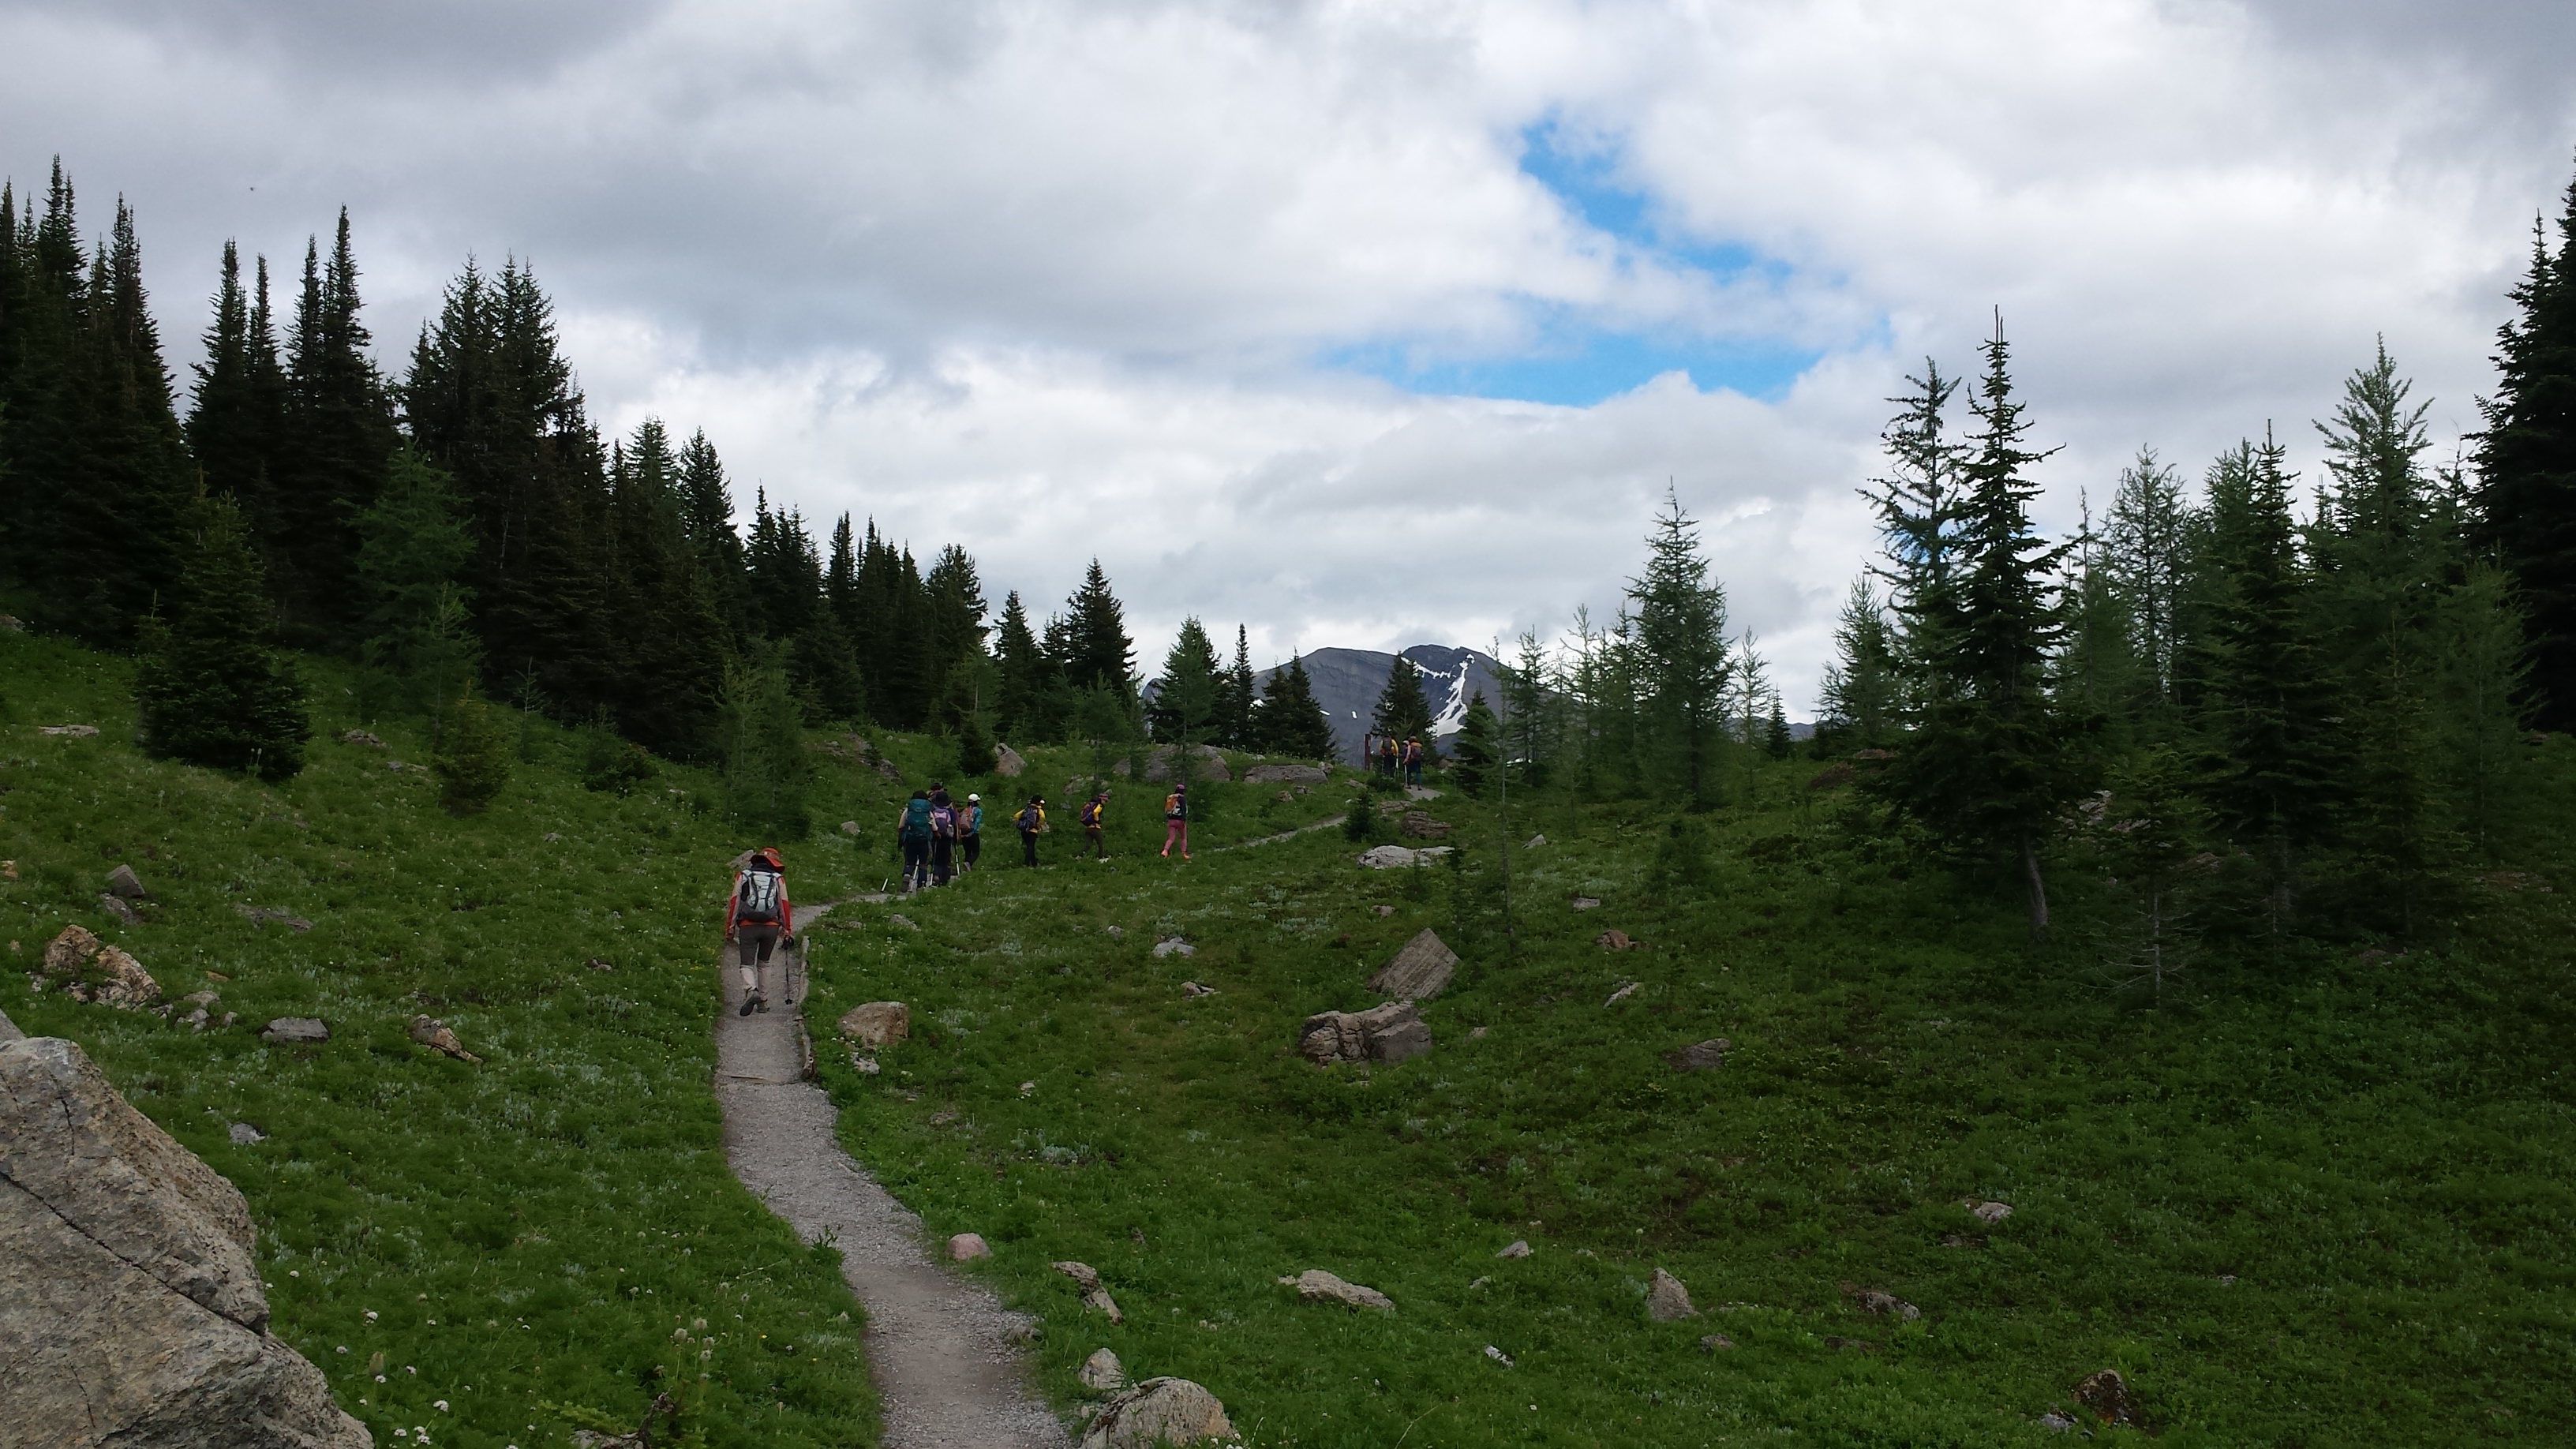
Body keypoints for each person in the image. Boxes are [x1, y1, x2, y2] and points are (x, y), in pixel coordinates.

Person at [724, 847, 794, 1017]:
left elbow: (735, 902)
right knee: (764, 963)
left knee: (746, 963)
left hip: (748, 925)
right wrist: (787, 929)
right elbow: (784, 904)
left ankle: (750, 990)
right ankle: (763, 1001)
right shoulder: (778, 879)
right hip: (771, 926)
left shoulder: (744, 876)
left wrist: (730, 927)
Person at [896, 788, 933, 892]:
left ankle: (907, 874)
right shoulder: (928, 812)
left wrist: (901, 841)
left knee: (909, 861)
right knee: (923, 863)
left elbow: (901, 826)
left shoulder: (908, 811)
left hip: (910, 840)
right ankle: (921, 884)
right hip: (924, 841)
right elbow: (934, 828)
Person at [928, 784, 958, 886]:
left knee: (936, 856)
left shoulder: (933, 809)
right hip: (947, 837)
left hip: (935, 835)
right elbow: (954, 824)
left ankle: (936, 874)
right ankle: (945, 877)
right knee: (946, 857)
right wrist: (955, 838)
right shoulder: (950, 811)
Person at [1015, 794, 1046, 866]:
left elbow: (1016, 816)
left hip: (1024, 831)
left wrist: (1020, 824)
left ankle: (1034, 863)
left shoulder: (1026, 809)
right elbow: (1042, 818)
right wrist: (1037, 826)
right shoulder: (1039, 811)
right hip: (1033, 831)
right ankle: (1027, 863)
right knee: (1030, 847)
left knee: (1030, 847)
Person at [1161, 783, 1189, 859]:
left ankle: (1165, 851)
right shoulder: (1182, 798)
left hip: (1171, 820)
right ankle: (1183, 853)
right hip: (1180, 820)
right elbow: (1183, 810)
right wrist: (1184, 820)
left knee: (1171, 838)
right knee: (1183, 837)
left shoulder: (1171, 797)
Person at [1079, 789, 1108, 859]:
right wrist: (1097, 821)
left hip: (1088, 828)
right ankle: (1100, 857)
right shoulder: (1099, 806)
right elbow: (1095, 812)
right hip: (1095, 828)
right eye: (1105, 801)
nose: (1105, 802)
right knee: (1100, 844)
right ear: (1101, 799)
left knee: (1088, 845)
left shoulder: (1091, 805)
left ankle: (1080, 856)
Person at [960, 792, 984, 873]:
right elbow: (977, 822)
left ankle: (966, 867)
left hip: (964, 834)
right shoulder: (978, 811)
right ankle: (969, 863)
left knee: (968, 851)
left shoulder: (965, 810)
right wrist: (973, 831)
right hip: (973, 834)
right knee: (976, 851)